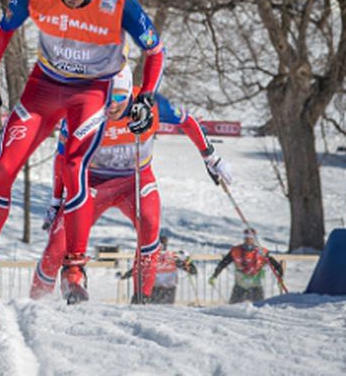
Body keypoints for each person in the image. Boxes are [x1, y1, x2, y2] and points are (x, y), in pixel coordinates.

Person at [0, 0, 165, 304]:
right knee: (5, 165)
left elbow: (155, 49)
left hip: (91, 91)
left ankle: (74, 267)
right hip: (44, 85)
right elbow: (4, 28)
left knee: (75, 168)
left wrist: (145, 97)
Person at [29, 67, 231, 303]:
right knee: (57, 242)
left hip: (134, 181)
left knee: (149, 222)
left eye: (118, 98)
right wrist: (56, 201)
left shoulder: (150, 105)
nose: (111, 105)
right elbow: (62, 158)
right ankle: (37, 300)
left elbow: (187, 120)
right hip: (92, 182)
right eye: (106, 96)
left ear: (130, 95)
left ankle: (141, 299)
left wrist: (211, 158)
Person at [209, 228, 284, 303]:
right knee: (232, 309)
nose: (248, 239)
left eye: (251, 237)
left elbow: (277, 266)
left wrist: (280, 279)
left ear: (254, 238)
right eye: (246, 237)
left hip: (256, 288)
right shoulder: (236, 251)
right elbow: (223, 263)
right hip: (240, 287)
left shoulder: (262, 252)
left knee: (260, 309)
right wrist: (214, 276)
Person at [118, 235, 197, 304]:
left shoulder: (163, 257)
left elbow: (137, 269)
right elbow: (192, 270)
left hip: (162, 290)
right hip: (164, 290)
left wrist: (124, 276)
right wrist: (188, 263)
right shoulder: (171, 257)